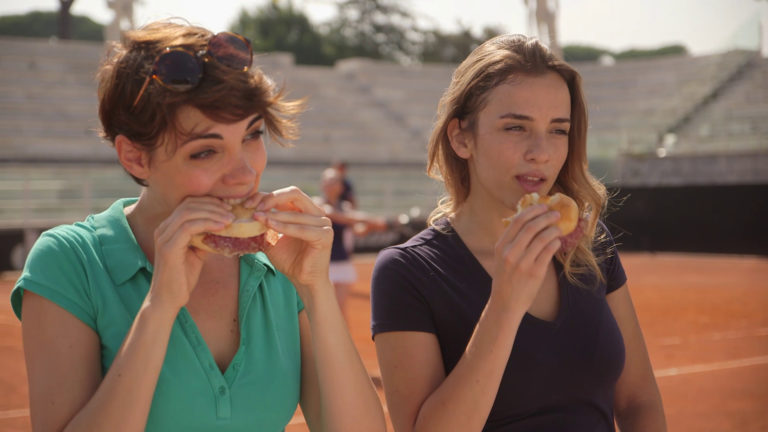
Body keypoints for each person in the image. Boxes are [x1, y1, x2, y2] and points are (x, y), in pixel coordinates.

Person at [10, 21, 386, 432]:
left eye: (252, 134)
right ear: (135, 158)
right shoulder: (70, 262)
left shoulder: (278, 264)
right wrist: (159, 308)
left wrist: (315, 289)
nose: (244, 174)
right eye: (206, 152)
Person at [370, 34, 666, 431]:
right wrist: (506, 304)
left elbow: (638, 400)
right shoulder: (408, 272)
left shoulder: (591, 244)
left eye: (558, 130)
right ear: (461, 138)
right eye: (515, 128)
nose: (541, 152)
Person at [316, 166, 386, 317]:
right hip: (321, 263)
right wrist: (374, 220)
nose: (329, 184)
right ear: (322, 185)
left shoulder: (346, 207)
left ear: (341, 187)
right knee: (321, 310)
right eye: (327, 180)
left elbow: (356, 229)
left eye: (334, 181)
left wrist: (371, 227)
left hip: (342, 262)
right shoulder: (318, 204)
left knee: (340, 310)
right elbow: (342, 217)